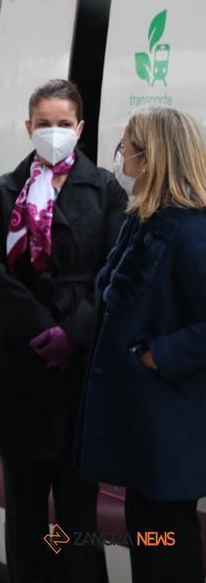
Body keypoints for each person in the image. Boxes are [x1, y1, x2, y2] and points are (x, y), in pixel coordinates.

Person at [0, 80, 124, 582]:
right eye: (43, 123)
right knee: (26, 508)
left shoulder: (105, 189)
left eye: (63, 124)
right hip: (21, 364)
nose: (53, 132)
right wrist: (42, 330)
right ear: (28, 127)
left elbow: (117, 272)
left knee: (77, 512)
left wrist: (73, 333)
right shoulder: (1, 191)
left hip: (80, 370)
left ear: (80, 128)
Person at [76, 106, 206, 583]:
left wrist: (158, 355)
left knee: (168, 545)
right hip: (145, 422)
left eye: (126, 150)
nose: (120, 160)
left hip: (170, 426)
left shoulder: (194, 232)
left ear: (152, 159)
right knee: (147, 536)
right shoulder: (146, 220)